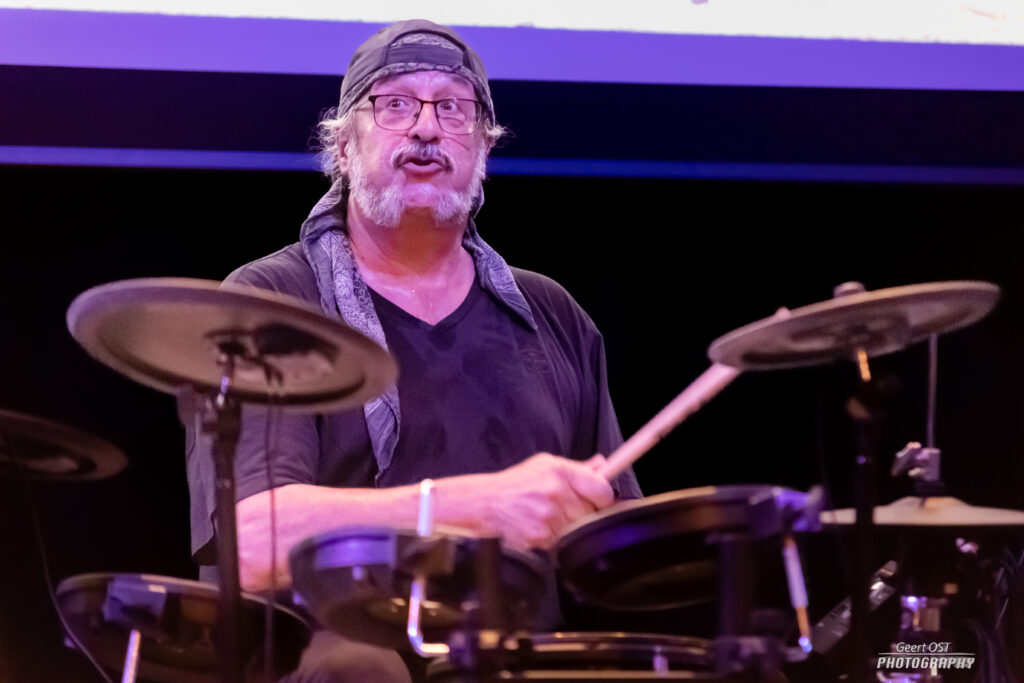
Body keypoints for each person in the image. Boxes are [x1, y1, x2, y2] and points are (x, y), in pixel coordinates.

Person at [184, 18, 641, 682]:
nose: (426, 127)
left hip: (506, 652)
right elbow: (254, 541)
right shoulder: (273, 303)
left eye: (453, 109)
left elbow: (614, 552)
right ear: (344, 148)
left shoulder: (552, 315)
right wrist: (474, 506)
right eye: (395, 104)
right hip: (336, 651)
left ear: (481, 150)